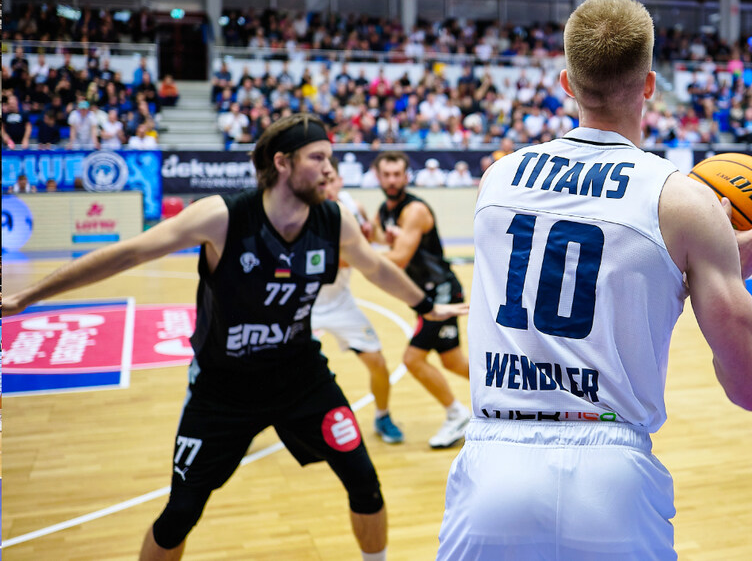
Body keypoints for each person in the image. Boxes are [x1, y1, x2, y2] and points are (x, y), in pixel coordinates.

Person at [3, 113, 467, 561]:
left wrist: (426, 306)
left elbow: (376, 267)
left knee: (365, 482)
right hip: (222, 388)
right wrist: (29, 297)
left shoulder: (333, 220)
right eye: (317, 157)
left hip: (300, 377)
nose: (330, 167)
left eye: (330, 156)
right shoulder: (223, 217)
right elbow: (128, 254)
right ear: (282, 163)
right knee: (179, 515)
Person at [437, 0, 752, 560]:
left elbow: (578, 265)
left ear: (566, 82)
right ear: (649, 85)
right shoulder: (682, 200)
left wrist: (687, 274)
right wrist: (718, 273)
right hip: (611, 471)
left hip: (494, 462)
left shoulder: (497, 180)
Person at [371, 152, 471, 449]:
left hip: (440, 293)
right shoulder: (385, 209)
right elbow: (379, 237)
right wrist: (370, 235)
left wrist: (353, 260)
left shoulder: (414, 210)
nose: (391, 180)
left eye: (396, 174)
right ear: (377, 177)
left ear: (406, 176)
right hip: (425, 295)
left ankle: (457, 414)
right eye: (386, 174)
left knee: (412, 360)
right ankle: (511, 397)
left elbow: (399, 258)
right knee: (453, 361)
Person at [311, 156, 404, 444]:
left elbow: (373, 236)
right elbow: (337, 260)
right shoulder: (304, 212)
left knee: (377, 361)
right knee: (270, 366)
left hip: (340, 303)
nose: (325, 186)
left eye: (330, 180)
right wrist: (361, 251)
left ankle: (382, 416)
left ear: (339, 181)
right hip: (305, 305)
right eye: (320, 181)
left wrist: (386, 237)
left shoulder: (352, 207)